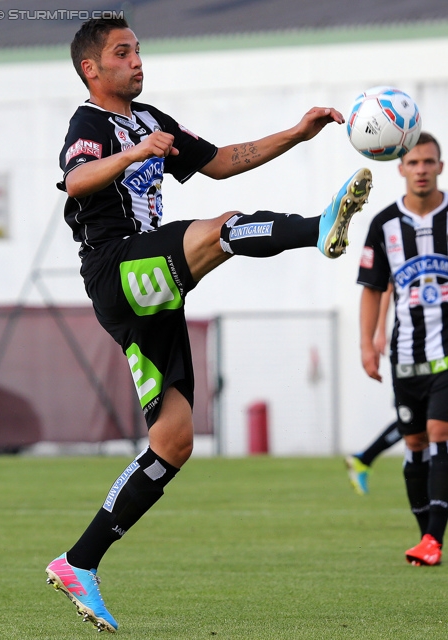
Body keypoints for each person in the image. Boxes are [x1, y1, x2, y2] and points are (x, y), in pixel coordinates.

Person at [44, 17, 372, 633]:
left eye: (138, 50)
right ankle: (316, 228)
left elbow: (222, 160)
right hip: (117, 269)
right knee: (221, 230)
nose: (137, 61)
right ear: (92, 69)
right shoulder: (90, 124)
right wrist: (135, 154)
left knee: (174, 442)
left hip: (150, 289)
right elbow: (75, 180)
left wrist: (298, 135)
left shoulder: (150, 119)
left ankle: (79, 561)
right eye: (123, 52)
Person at [358, 131, 448, 567]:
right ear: (401, 169)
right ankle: (426, 537)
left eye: (429, 162)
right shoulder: (384, 225)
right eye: (413, 163)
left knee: (438, 434)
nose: (421, 170)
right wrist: (367, 345)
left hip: (447, 354)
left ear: (440, 167)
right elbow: (372, 290)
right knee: (413, 442)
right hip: (405, 356)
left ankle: (433, 538)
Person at [346, 282, 402, 495]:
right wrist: (380, 331)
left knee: (420, 425)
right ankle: (363, 459)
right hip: (413, 353)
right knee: (414, 424)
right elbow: (386, 285)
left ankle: (364, 459)